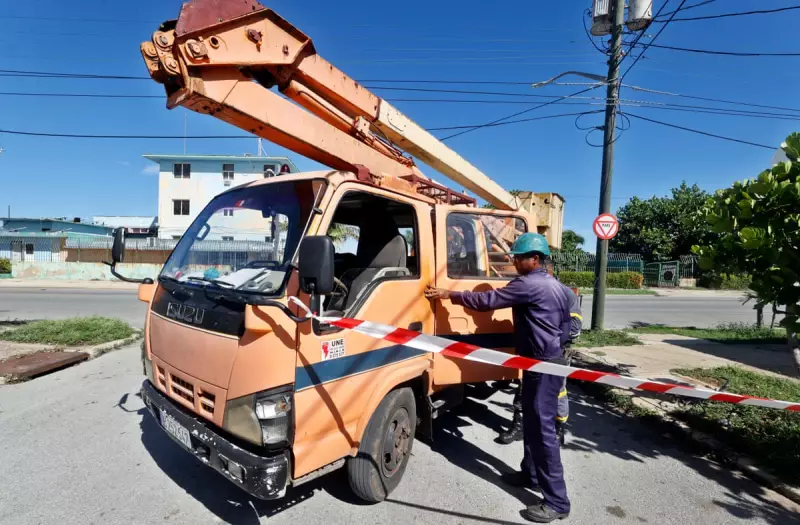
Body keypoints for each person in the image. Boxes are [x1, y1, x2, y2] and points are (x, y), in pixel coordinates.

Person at [425, 233, 571, 523]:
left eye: (519, 258)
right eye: (514, 257)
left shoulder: (529, 284)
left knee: (542, 432)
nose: (514, 262)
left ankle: (557, 502)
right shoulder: (557, 286)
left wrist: (449, 294)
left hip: (544, 365)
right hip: (544, 362)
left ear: (536, 259)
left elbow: (486, 301)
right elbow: (566, 327)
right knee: (531, 421)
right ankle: (530, 474)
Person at [497, 257, 582, 446]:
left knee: (558, 392)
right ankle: (519, 426)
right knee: (524, 388)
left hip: (555, 353)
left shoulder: (564, 293)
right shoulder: (532, 289)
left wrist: (552, 341)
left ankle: (558, 428)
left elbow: (575, 326)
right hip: (533, 353)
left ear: (548, 271)